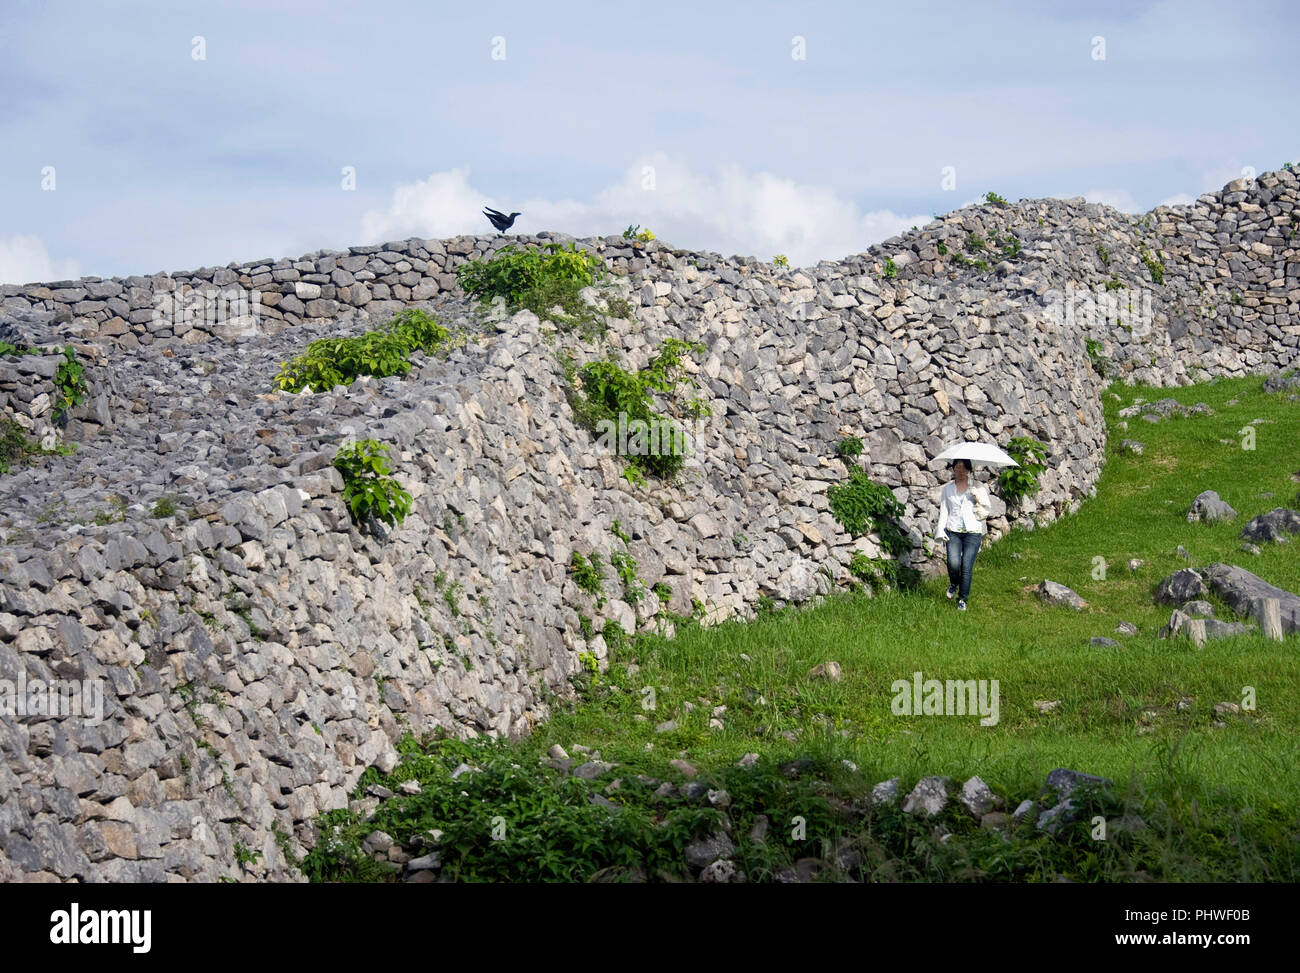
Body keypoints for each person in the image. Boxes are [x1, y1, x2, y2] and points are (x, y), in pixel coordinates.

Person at [934, 458, 990, 611]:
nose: (960, 471)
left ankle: (962, 599)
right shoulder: (948, 489)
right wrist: (940, 530)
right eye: (957, 467)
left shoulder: (977, 487)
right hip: (953, 531)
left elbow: (986, 508)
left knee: (966, 566)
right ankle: (954, 583)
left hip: (973, 532)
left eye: (963, 468)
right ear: (953, 469)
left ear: (969, 470)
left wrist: (978, 497)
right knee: (953, 563)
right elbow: (944, 510)